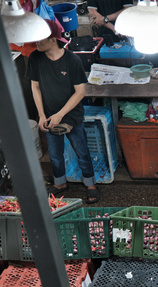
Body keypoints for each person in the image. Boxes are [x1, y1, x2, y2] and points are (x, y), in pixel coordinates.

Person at [27, 19, 100, 204]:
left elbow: (80, 92)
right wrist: (42, 115)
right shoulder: (35, 58)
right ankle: (60, 184)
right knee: (55, 155)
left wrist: (60, 114)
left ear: (52, 39)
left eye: (40, 38)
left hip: (72, 117)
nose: (36, 41)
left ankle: (91, 185)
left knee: (81, 151)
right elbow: (35, 87)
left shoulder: (72, 60)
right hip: (49, 117)